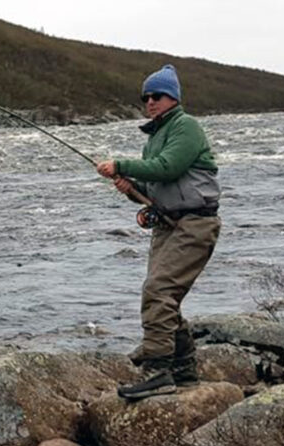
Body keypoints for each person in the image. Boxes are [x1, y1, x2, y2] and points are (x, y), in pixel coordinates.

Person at [95, 64, 221, 400]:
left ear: (173, 98)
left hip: (195, 224)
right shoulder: (154, 138)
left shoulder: (187, 127)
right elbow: (155, 185)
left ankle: (158, 372)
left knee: (158, 292)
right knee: (165, 297)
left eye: (157, 96)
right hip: (168, 226)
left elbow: (169, 167)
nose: (150, 101)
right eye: (146, 97)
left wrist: (120, 165)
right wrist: (129, 186)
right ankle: (184, 371)